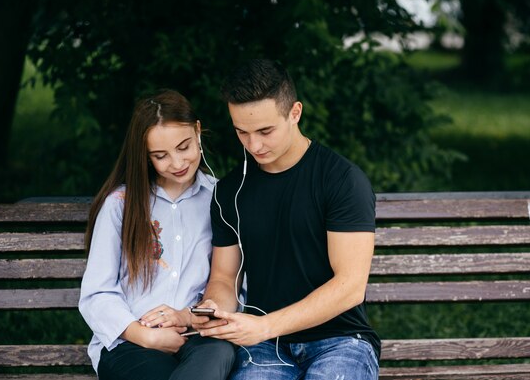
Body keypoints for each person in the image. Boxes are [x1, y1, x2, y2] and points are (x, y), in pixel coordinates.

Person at [192, 59, 380, 379]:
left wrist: (265, 325)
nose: (254, 145)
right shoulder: (230, 191)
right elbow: (225, 278)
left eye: (265, 131)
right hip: (264, 345)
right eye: (242, 132)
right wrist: (214, 308)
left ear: (295, 113)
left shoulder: (341, 180)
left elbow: (350, 286)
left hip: (339, 341)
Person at [79, 89, 235, 380]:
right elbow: (97, 293)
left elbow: (233, 284)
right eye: (161, 156)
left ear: (198, 131)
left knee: (220, 353)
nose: (177, 163)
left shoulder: (220, 200)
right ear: (145, 156)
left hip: (198, 337)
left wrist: (192, 317)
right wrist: (145, 336)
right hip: (131, 342)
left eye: (184, 147)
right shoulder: (121, 206)